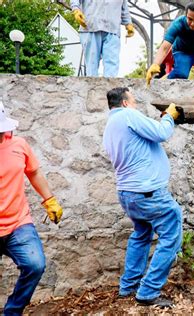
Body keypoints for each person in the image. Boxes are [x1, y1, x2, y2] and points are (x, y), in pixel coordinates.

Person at [102, 87, 182, 307]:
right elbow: (161, 133)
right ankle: (148, 291)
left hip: (128, 193)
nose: (136, 104)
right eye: (134, 101)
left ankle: (128, 286)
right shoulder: (128, 115)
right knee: (171, 236)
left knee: (141, 233)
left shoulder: (110, 126)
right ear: (125, 103)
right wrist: (168, 117)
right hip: (147, 192)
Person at [0, 102, 63, 315]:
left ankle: (12, 311)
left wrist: (49, 200)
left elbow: (33, 172)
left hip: (18, 223)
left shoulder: (18, 144)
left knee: (35, 265)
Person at [71, 0, 134, 77]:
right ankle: (91, 86)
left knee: (112, 63)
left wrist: (128, 23)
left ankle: (110, 86)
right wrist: (76, 9)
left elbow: (124, 7)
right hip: (91, 27)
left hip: (113, 29)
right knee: (92, 64)